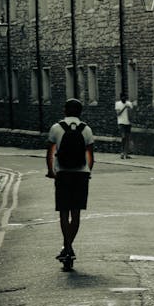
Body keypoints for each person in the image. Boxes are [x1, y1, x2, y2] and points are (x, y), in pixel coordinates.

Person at [46, 98, 94, 269]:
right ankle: (68, 247)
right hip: (81, 174)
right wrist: (87, 172)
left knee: (63, 213)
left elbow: (51, 152)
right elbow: (90, 156)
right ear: (80, 112)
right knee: (76, 213)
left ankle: (67, 247)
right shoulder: (86, 130)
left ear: (65, 111)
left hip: (63, 174)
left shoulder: (56, 128)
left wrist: (51, 171)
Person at [114, 93, 134, 158]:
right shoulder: (117, 104)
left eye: (125, 98)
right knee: (123, 137)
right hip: (121, 123)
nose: (124, 99)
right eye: (122, 98)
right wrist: (124, 107)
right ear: (121, 98)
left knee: (127, 138)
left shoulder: (129, 103)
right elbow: (118, 114)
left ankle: (126, 153)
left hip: (128, 123)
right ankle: (122, 152)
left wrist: (131, 120)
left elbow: (131, 113)